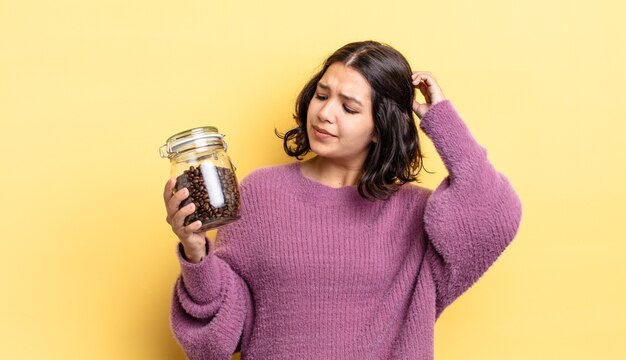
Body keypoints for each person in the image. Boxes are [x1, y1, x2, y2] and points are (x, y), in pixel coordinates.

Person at [162, 40, 522, 360]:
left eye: (349, 108)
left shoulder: (415, 214)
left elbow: (496, 215)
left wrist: (444, 123)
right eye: (321, 95)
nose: (325, 113)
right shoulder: (260, 193)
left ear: (380, 128)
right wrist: (196, 253)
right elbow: (216, 343)